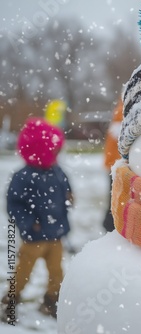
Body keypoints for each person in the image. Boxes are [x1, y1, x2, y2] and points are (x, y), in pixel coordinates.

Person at [2, 118, 72, 321]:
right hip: (34, 236)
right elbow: (14, 205)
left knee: (56, 273)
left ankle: (51, 301)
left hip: (56, 235)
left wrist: (69, 195)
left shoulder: (57, 172)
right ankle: (10, 302)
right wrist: (28, 222)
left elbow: (65, 187)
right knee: (23, 273)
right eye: (54, 150)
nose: (58, 154)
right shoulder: (23, 177)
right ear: (41, 151)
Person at [102, 98, 123, 232]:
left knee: (114, 198)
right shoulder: (123, 113)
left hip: (114, 164)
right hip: (117, 166)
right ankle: (111, 226)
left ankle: (110, 225)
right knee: (116, 199)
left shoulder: (120, 111)